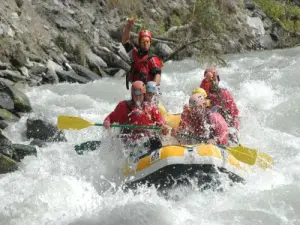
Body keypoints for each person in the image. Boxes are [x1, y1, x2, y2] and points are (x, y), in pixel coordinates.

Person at [103, 81, 168, 157]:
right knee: (136, 145)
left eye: (140, 96)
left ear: (144, 95)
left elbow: (161, 122)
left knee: (155, 140)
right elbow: (111, 117)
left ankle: (153, 160)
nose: (137, 98)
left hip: (145, 139)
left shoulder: (151, 108)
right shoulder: (123, 106)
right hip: (128, 141)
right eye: (135, 96)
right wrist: (107, 121)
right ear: (132, 95)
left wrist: (164, 128)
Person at [122, 18, 163, 91]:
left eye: (147, 42)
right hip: (136, 92)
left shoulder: (153, 59)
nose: (145, 44)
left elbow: (158, 75)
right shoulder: (134, 53)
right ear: (139, 42)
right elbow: (125, 41)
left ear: (150, 43)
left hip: (149, 92)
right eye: (143, 41)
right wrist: (129, 25)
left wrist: (151, 91)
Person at [200, 68, 239, 143]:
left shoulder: (224, 94)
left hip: (225, 124)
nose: (213, 82)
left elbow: (234, 114)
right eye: (210, 80)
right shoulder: (203, 93)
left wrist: (234, 130)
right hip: (211, 123)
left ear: (218, 80)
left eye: (215, 79)